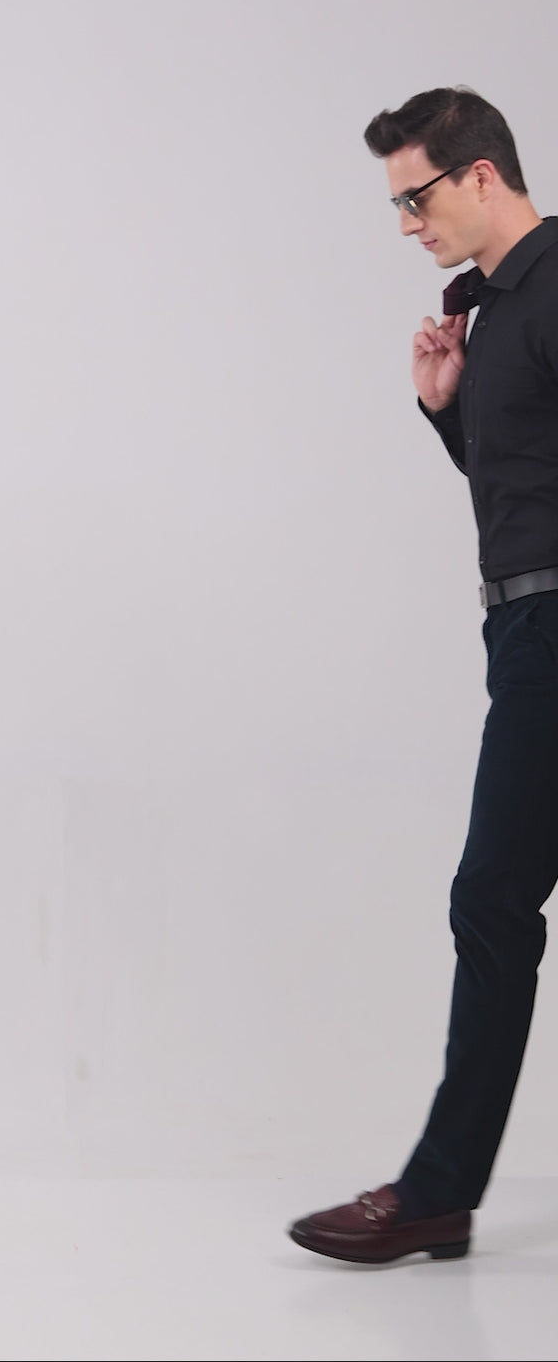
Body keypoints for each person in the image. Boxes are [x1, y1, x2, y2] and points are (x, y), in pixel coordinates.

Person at [288, 86, 558, 1265]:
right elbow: (524, 480)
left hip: (552, 629)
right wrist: (444, 412)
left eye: (416, 197)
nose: (406, 223)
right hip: (521, 629)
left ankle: (438, 1192)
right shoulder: (494, 314)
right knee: (493, 901)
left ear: (481, 175)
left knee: (490, 898)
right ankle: (440, 1192)